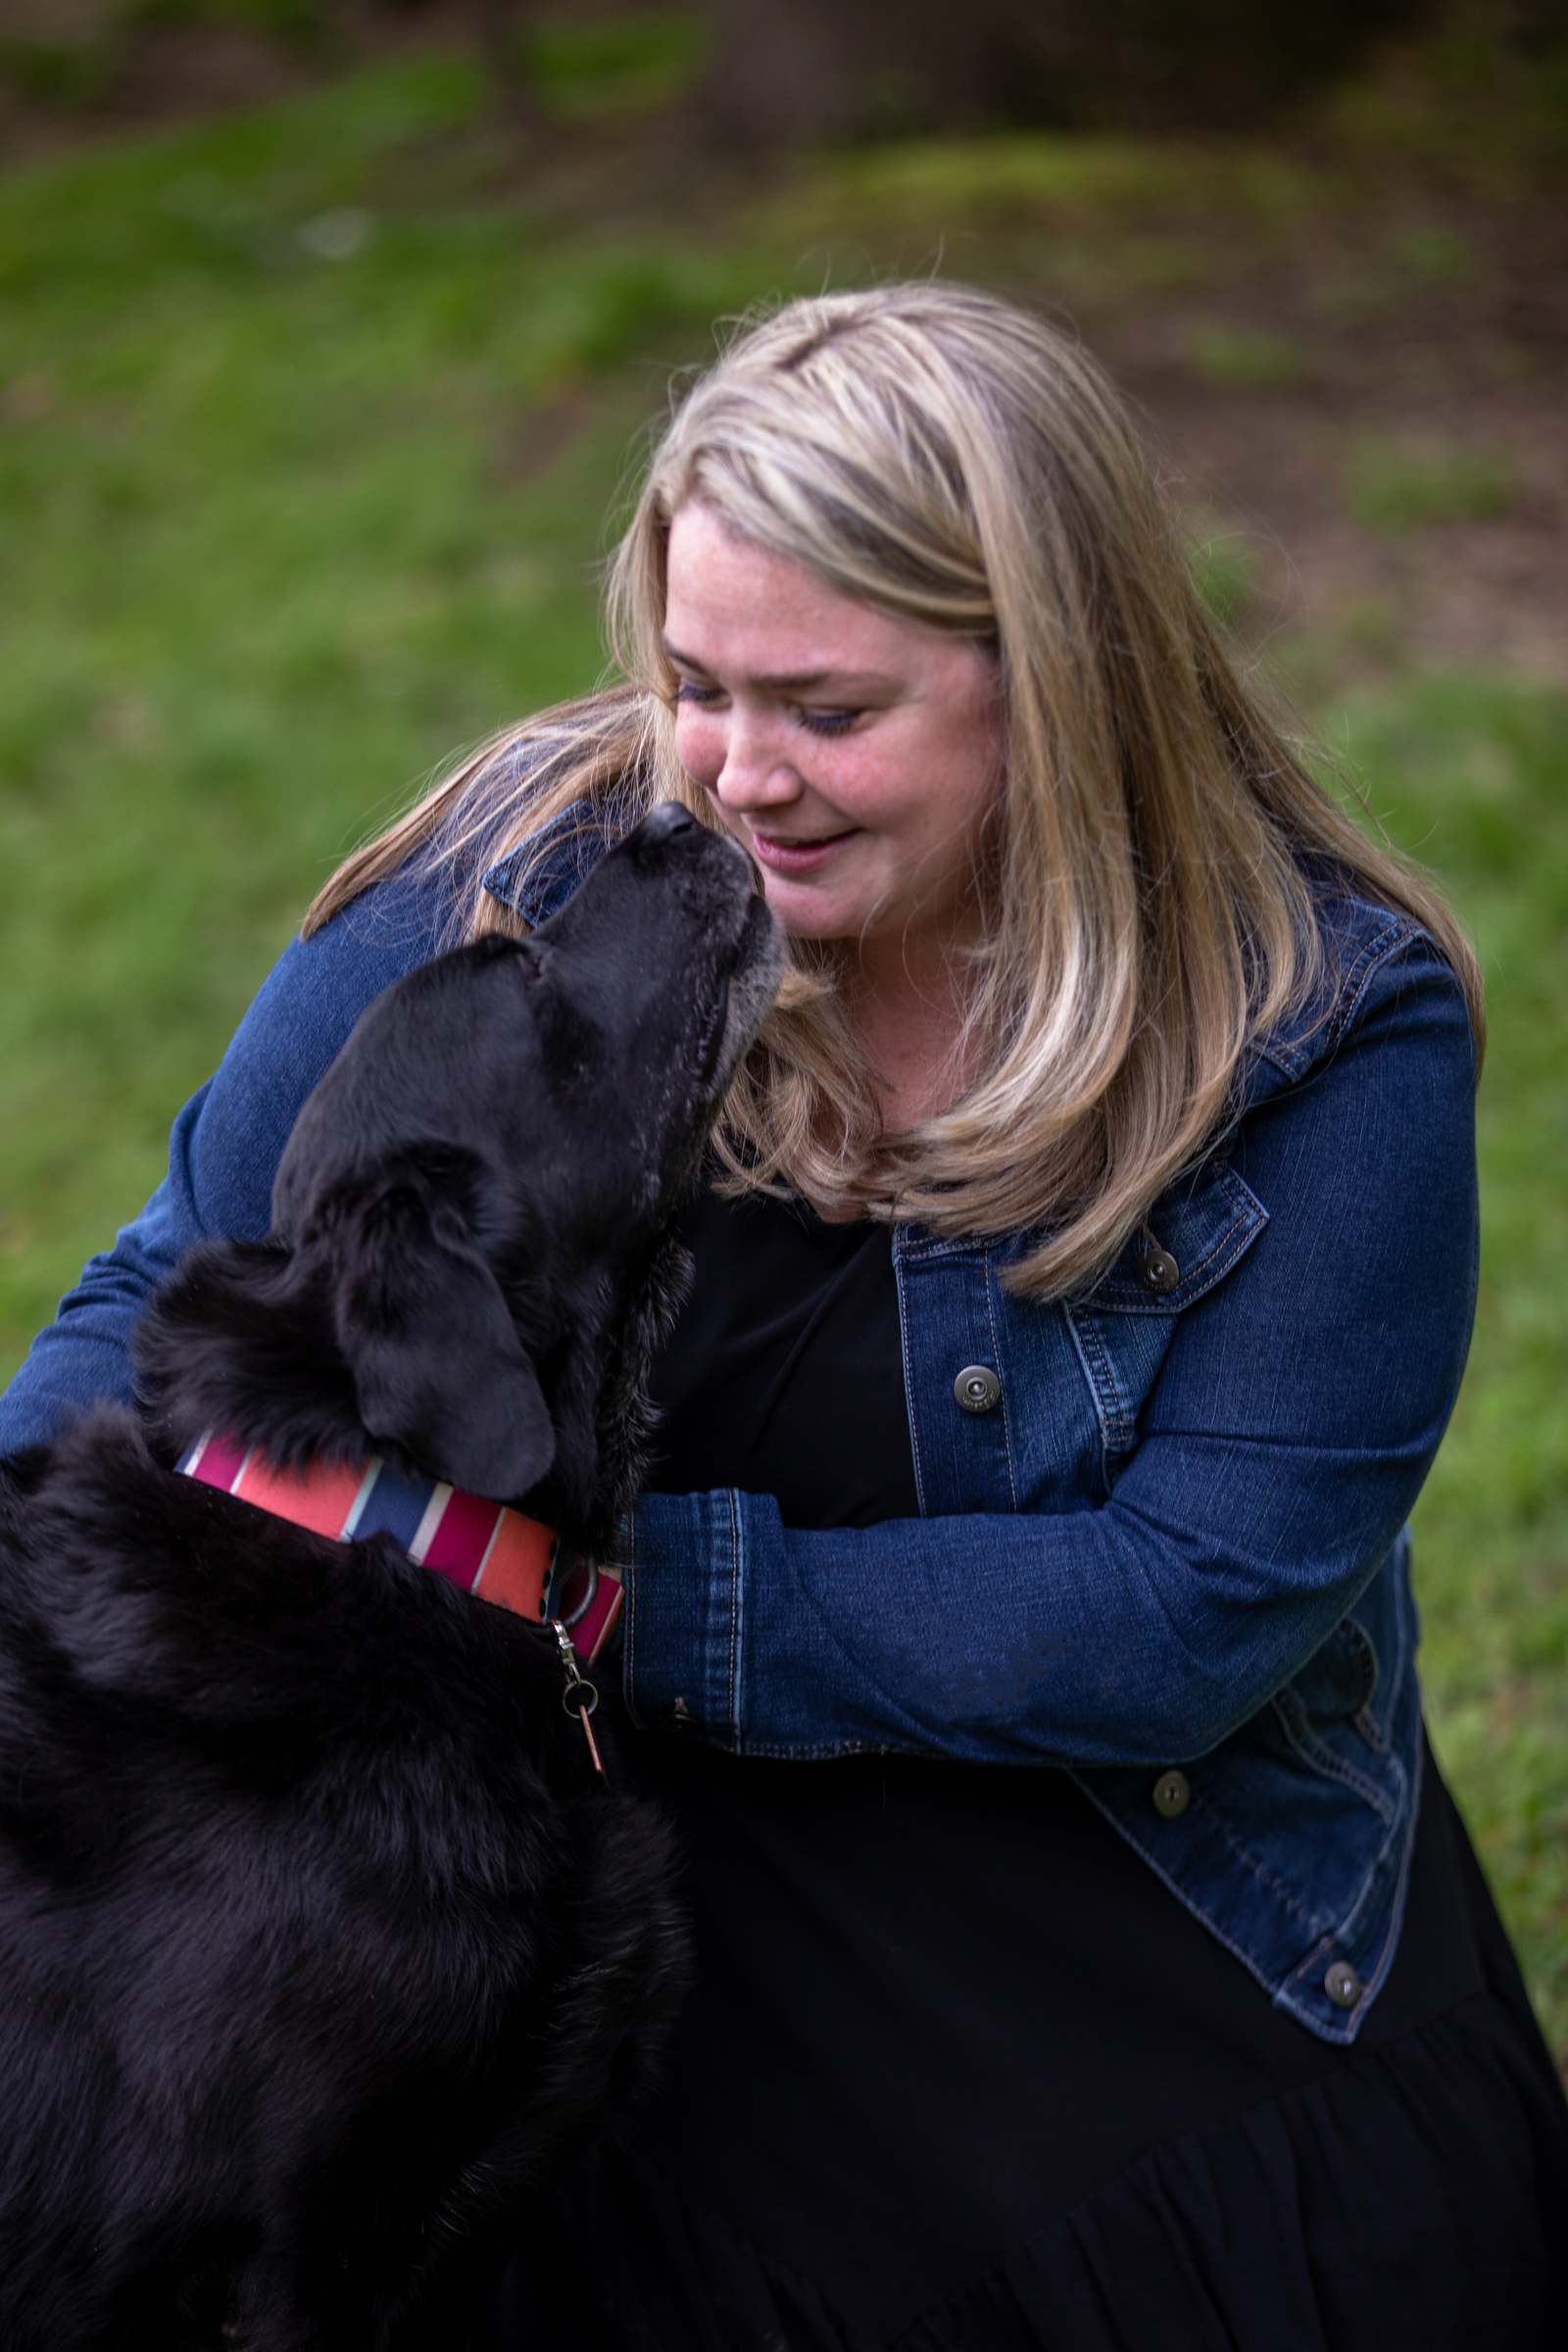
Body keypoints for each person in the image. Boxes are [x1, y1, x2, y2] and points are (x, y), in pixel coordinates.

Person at [3, 283, 1566, 2348]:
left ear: (1063, 682)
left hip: (1100, 1875)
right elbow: (167, 1274)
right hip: (574, 1838)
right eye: (692, 683)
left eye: (827, 710)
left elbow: (1183, 1607)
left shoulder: (1308, 1026)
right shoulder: (523, 888)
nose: (733, 774)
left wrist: (578, 1603)